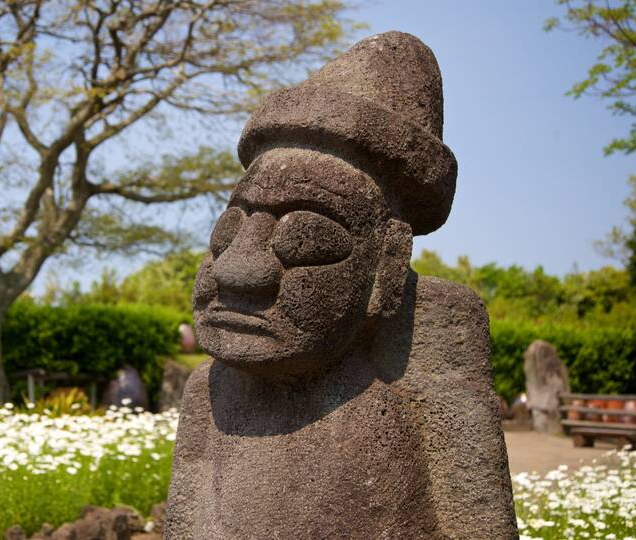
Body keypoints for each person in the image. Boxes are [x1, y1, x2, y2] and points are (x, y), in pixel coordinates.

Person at [165, 32, 518, 539]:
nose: (237, 270)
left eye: (306, 240)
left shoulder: (424, 394)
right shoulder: (211, 392)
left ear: (387, 268)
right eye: (231, 228)